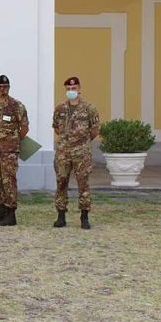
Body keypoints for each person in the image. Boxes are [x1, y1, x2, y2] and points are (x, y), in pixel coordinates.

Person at [52, 76, 100, 229]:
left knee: (83, 184)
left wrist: (81, 142)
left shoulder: (89, 108)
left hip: (81, 153)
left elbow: (94, 130)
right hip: (63, 152)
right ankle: (61, 216)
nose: (71, 91)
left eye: (74, 89)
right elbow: (56, 127)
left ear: (79, 88)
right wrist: (67, 140)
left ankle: (84, 216)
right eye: (68, 89)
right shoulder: (60, 108)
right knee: (61, 182)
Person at [0, 75, 29, 226]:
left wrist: (13, 142)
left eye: (5, 87)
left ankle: (11, 214)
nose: (2, 90)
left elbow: (24, 128)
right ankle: (1, 209)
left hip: (9, 151)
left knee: (8, 181)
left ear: (8, 88)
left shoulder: (17, 106)